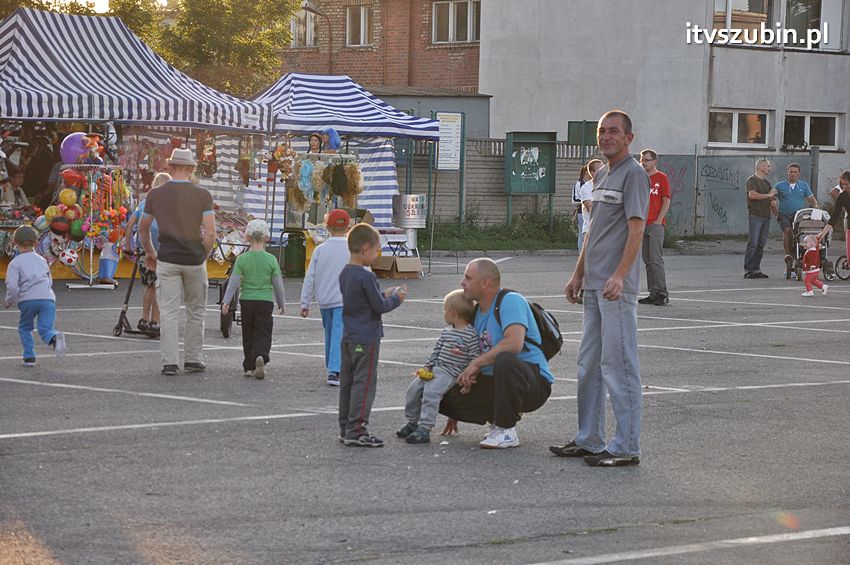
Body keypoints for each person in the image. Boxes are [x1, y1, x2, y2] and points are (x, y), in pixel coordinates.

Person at [557, 109, 648, 467]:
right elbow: (593, 230)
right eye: (602, 131)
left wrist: (620, 275)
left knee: (619, 364)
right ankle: (589, 438)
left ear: (629, 137)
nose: (606, 136)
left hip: (615, 287)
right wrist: (577, 273)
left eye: (613, 131)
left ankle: (626, 446)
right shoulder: (603, 173)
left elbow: (637, 229)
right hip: (594, 284)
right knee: (588, 364)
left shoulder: (635, 175)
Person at [440, 258, 554, 449]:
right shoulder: (476, 313)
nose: (462, 283)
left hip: (533, 382)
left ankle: (506, 430)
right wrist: (455, 410)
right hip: (497, 381)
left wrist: (477, 363)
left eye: (468, 278)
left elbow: (514, 344)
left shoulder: (510, 301)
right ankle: (497, 419)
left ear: (485, 283)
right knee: (439, 392)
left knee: (505, 359)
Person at [139, 148, 216, 377]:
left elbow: (143, 228)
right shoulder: (203, 194)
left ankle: (169, 362)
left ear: (169, 168)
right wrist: (204, 253)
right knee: (196, 311)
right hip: (193, 257)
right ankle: (193, 358)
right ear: (192, 169)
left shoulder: (155, 195)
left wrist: (151, 253)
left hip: (168, 257)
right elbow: (210, 233)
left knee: (169, 312)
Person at [338, 223, 407, 447]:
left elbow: (365, 300)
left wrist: (383, 294)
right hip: (366, 338)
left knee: (348, 382)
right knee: (364, 383)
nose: (377, 255)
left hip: (349, 336)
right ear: (366, 249)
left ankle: (346, 426)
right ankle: (357, 429)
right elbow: (379, 306)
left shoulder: (346, 273)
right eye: (377, 250)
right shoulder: (366, 277)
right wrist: (396, 299)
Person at [396, 289, 480, 445]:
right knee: (413, 391)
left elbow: (475, 358)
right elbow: (436, 350)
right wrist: (428, 366)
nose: (444, 313)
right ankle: (413, 422)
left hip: (449, 373)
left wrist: (469, 376)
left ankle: (424, 428)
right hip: (435, 369)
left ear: (452, 313)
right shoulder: (446, 332)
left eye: (444, 310)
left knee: (431, 394)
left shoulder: (471, 335)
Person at [221, 219, 286, 379]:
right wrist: (281, 303)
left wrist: (226, 301)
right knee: (263, 331)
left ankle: (249, 366)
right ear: (266, 238)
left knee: (247, 332)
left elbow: (234, 282)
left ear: (247, 237)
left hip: (247, 300)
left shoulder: (242, 259)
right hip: (265, 301)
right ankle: (261, 356)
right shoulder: (271, 259)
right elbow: (278, 284)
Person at [300, 208, 351, 386]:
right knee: (339, 332)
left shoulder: (320, 250)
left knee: (330, 332)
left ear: (328, 228)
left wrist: (305, 302)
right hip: (344, 299)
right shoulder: (351, 249)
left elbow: (310, 277)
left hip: (324, 300)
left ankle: (331, 366)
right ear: (349, 226)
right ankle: (334, 370)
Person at [4, 225, 66, 366]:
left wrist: (9, 301)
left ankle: (29, 356)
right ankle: (54, 338)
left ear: (14, 243)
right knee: (45, 328)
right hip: (47, 298)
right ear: (36, 242)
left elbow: (13, 286)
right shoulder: (42, 260)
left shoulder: (15, 263)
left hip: (28, 300)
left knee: (25, 328)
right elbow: (49, 279)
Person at [123, 172, 170, 333]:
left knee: (150, 285)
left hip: (143, 250)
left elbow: (129, 225)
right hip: (160, 251)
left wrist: (128, 246)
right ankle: (155, 321)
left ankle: (144, 318)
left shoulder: (144, 203)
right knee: (159, 286)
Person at [637, 149, 671, 305]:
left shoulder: (661, 178)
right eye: (642, 160)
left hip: (655, 224)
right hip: (642, 224)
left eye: (647, 160)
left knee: (656, 259)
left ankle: (662, 293)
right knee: (648, 260)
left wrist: (659, 220)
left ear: (654, 161)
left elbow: (666, 200)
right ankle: (653, 292)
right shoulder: (640, 178)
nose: (644, 162)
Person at [774, 163, 817, 278]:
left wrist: (815, 210)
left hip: (798, 216)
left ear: (798, 174)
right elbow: (771, 199)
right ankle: (788, 256)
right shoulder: (779, 185)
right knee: (787, 231)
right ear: (787, 172)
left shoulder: (803, 186)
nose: (792, 174)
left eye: (795, 172)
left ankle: (798, 263)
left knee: (799, 237)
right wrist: (775, 213)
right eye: (790, 171)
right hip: (784, 215)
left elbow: (812, 199)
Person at [743, 158, 775, 279]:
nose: (769, 168)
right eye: (767, 166)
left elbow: (770, 198)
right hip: (755, 215)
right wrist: (768, 195)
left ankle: (756, 269)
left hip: (766, 216)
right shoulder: (752, 180)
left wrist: (773, 203)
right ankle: (748, 270)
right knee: (753, 243)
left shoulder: (767, 183)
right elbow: (752, 195)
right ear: (761, 166)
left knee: (761, 244)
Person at [817, 171, 850, 263]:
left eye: (846, 184)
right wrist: (822, 233)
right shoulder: (842, 197)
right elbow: (835, 216)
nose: (844, 187)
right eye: (842, 184)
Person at [573, 165, 590, 251]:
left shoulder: (592, 184)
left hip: (589, 212)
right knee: (582, 233)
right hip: (581, 211)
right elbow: (575, 199)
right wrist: (585, 200)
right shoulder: (579, 184)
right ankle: (581, 252)